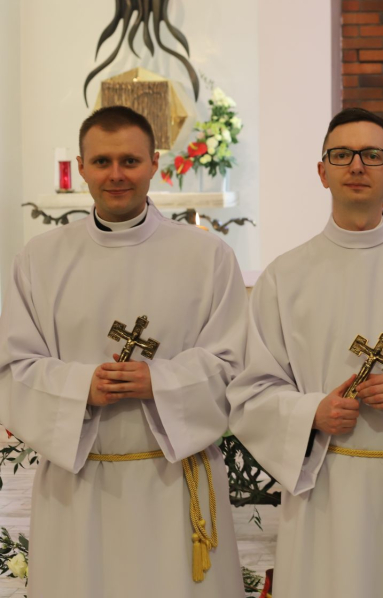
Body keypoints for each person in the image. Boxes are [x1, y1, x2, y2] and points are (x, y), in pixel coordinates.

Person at [227, 107, 383, 598]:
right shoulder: (286, 276)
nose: (357, 165)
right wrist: (312, 412)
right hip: (324, 484)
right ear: (322, 171)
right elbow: (251, 390)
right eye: (342, 155)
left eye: (372, 155)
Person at [0, 106, 247, 596]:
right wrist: (81, 387)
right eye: (102, 161)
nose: (116, 174)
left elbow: (235, 365)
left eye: (130, 161)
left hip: (175, 480)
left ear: (154, 163)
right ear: (82, 167)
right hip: (78, 484)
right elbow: (14, 368)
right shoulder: (40, 259)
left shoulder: (207, 257)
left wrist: (160, 381)